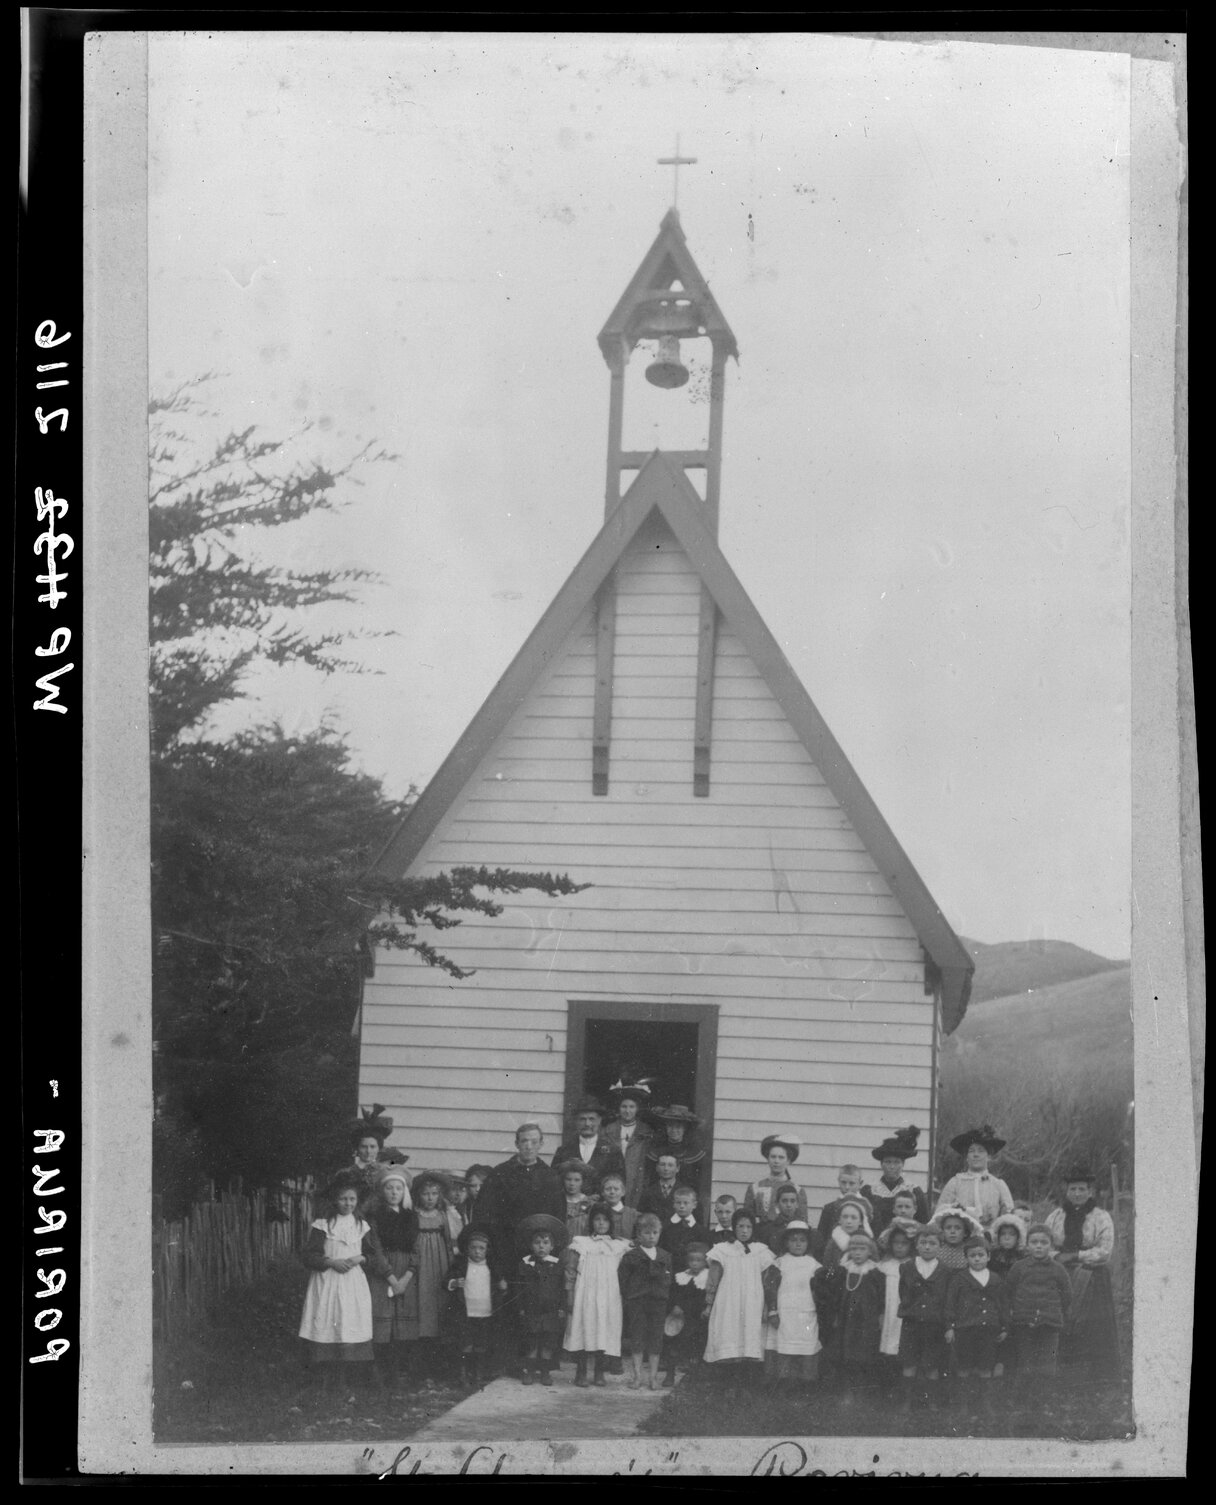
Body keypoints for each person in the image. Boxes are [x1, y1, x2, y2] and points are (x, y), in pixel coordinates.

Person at [298, 1173, 388, 1389]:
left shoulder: (362, 1226)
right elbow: (309, 1256)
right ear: (334, 1200)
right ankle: (323, 1380)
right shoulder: (323, 1225)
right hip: (327, 1281)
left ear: (357, 1202)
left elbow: (374, 1256)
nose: (347, 1204)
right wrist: (330, 1262)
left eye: (352, 1200)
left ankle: (347, 1380)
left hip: (352, 1284)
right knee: (327, 1322)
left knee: (349, 1323)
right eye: (343, 1199)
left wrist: (361, 1257)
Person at [1043, 1168, 1120, 1378]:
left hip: (1091, 1275)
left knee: (1093, 1323)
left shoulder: (1101, 1217)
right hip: (1059, 1273)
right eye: (1073, 1189)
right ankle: (1060, 1366)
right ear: (1066, 1191)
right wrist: (1058, 1257)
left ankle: (1096, 1372)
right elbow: (1043, 1245)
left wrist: (1075, 1256)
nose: (1077, 1193)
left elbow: (1105, 1251)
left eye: (1082, 1189)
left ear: (1090, 1191)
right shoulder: (1056, 1216)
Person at [476, 1124, 565, 1284]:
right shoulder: (500, 1174)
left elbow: (558, 1218)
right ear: (517, 1144)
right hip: (506, 1248)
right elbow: (484, 1211)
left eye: (534, 1142)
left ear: (541, 1144)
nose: (529, 1146)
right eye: (524, 1141)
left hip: (539, 1250)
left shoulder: (551, 1177)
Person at [1004, 1223, 1072, 1408]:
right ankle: (1020, 1402)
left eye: (1044, 1242)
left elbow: (1066, 1295)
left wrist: (1053, 1312)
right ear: (1027, 1245)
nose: (1039, 1246)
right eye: (1034, 1242)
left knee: (1047, 1366)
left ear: (1051, 1245)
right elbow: (1009, 1291)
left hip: (1050, 1324)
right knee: (1025, 1364)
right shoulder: (1019, 1267)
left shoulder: (1058, 1269)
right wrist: (1017, 1312)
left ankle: (1044, 1402)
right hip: (1024, 1323)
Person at [563, 1203, 631, 1387]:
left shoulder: (619, 1246)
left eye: (605, 1220)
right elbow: (570, 1271)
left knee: (604, 1329)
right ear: (591, 1222)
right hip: (586, 1293)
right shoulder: (581, 1244)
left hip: (609, 1295)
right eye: (597, 1219)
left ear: (611, 1223)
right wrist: (569, 1296)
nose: (601, 1223)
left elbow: (625, 1274)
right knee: (584, 1328)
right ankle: (581, 1371)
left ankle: (599, 1372)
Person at [364, 1164, 420, 1382]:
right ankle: (379, 1370)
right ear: (382, 1191)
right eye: (389, 1188)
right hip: (384, 1273)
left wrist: (406, 1278)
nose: (394, 1192)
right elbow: (375, 1248)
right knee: (383, 1320)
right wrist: (390, 1277)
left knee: (403, 1322)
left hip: (406, 1273)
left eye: (398, 1188)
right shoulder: (375, 1217)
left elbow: (417, 1248)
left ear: (404, 1191)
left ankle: (400, 1370)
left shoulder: (411, 1216)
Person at [943, 1235, 1009, 1421]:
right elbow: (950, 1304)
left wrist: (1004, 1327)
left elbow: (1003, 1304)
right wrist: (950, 1326)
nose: (977, 1259)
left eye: (981, 1255)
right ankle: (963, 1404)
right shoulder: (959, 1279)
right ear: (966, 1258)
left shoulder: (995, 1279)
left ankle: (985, 1403)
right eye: (972, 1255)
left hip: (989, 1330)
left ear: (988, 1256)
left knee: (986, 1366)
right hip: (965, 1329)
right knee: (964, 1366)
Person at [703, 1209, 776, 1369]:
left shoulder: (761, 1251)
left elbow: (767, 1282)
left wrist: (767, 1307)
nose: (744, 1231)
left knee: (749, 1336)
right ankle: (729, 1383)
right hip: (728, 1300)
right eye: (740, 1226)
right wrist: (709, 1304)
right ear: (734, 1227)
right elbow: (713, 1279)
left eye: (748, 1227)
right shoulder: (723, 1249)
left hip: (752, 1301)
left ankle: (745, 1384)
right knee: (729, 1335)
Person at [817, 1233, 884, 1401]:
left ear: (870, 1251)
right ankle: (847, 1390)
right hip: (847, 1318)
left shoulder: (875, 1272)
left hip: (866, 1319)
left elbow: (882, 1296)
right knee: (846, 1353)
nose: (858, 1253)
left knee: (864, 1354)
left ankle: (863, 1390)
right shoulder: (843, 1270)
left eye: (862, 1249)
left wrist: (880, 1316)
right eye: (854, 1249)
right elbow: (836, 1294)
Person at [761, 1221, 823, 1389]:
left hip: (806, 1314)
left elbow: (819, 1291)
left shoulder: (814, 1265)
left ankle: (804, 1384)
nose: (797, 1244)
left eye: (802, 1240)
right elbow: (770, 1287)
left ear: (808, 1243)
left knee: (805, 1346)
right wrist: (773, 1310)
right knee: (784, 1345)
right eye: (793, 1240)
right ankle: (784, 1382)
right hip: (784, 1313)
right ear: (786, 1242)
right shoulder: (779, 1263)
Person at [897, 1224, 951, 1411]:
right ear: (917, 1245)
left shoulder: (945, 1270)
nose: (927, 1247)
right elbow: (903, 1293)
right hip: (912, 1323)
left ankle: (932, 1401)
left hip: (934, 1325)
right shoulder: (907, 1267)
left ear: (940, 1246)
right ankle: (906, 1401)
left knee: (931, 1364)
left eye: (932, 1243)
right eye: (923, 1242)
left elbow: (946, 1299)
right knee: (909, 1362)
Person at [619, 1212, 673, 1390]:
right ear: (639, 1234)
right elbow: (623, 1281)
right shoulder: (631, 1256)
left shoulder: (665, 1256)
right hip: (637, 1303)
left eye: (655, 1233)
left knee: (656, 1339)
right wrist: (630, 1297)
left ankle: (653, 1378)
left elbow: (668, 1280)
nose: (651, 1237)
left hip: (657, 1303)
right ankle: (637, 1377)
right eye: (647, 1233)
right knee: (637, 1338)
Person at [514, 1214, 568, 1386]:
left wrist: (561, 1307)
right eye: (537, 1243)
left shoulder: (557, 1265)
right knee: (531, 1343)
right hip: (531, 1310)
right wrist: (520, 1308)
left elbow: (561, 1288)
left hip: (550, 1311)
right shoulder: (525, 1265)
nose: (541, 1247)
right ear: (531, 1245)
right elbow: (519, 1289)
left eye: (545, 1243)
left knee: (547, 1344)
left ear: (552, 1246)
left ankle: (545, 1372)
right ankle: (529, 1371)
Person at [409, 1172, 455, 1365]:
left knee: (439, 1299)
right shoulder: (414, 1215)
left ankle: (439, 1354)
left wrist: (451, 1266)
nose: (430, 1198)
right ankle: (420, 1350)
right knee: (422, 1298)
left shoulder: (444, 1216)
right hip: (420, 1262)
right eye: (426, 1194)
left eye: (434, 1194)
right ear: (419, 1195)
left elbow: (448, 1242)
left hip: (440, 1262)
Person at [444, 1226, 498, 1389]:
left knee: (481, 1344)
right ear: (467, 1249)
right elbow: (444, 1282)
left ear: (487, 1250)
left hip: (484, 1312)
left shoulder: (491, 1267)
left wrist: (502, 1286)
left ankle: (478, 1374)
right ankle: (463, 1374)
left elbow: (498, 1286)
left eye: (481, 1248)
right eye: (473, 1248)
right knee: (465, 1344)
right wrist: (454, 1283)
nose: (477, 1252)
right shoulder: (460, 1266)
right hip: (465, 1312)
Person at [933, 1126, 1014, 1231]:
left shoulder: (998, 1185)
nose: (976, 1155)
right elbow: (939, 1214)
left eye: (980, 1151)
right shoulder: (955, 1183)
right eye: (971, 1151)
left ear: (988, 1156)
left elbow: (1009, 1217)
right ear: (966, 1157)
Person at [861, 1126, 929, 1234]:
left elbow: (924, 1223)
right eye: (888, 1162)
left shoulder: (914, 1191)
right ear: (881, 1164)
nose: (892, 1167)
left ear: (903, 1165)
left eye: (897, 1162)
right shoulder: (869, 1191)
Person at [344, 1106, 411, 1211]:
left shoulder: (386, 1171)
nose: (368, 1151)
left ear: (379, 1148)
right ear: (357, 1149)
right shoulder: (348, 1174)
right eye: (363, 1147)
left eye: (372, 1147)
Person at [662, 1242, 710, 1386]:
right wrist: (675, 1306)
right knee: (673, 1346)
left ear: (705, 1261)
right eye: (691, 1260)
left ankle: (693, 1377)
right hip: (679, 1318)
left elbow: (704, 1298)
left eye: (698, 1260)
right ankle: (670, 1374)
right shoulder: (681, 1277)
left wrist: (702, 1309)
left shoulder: (706, 1278)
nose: (694, 1264)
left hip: (697, 1319)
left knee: (695, 1348)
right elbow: (673, 1295)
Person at [875, 1220, 916, 1391]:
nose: (899, 1247)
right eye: (896, 1243)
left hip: (905, 1312)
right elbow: (878, 1293)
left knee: (904, 1345)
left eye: (904, 1244)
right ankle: (888, 1385)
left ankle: (904, 1385)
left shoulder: (914, 1265)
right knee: (888, 1344)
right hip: (889, 1310)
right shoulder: (884, 1266)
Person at [603, 1080, 656, 1208]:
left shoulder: (646, 1131)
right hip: (614, 1179)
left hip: (637, 1179)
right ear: (618, 1108)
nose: (627, 1111)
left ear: (637, 1109)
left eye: (631, 1107)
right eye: (624, 1107)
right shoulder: (608, 1130)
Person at [551, 1099, 625, 1187]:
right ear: (576, 1121)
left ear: (599, 1120)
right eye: (582, 1119)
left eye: (591, 1119)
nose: (587, 1124)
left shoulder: (613, 1152)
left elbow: (620, 1183)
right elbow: (554, 1182)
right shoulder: (563, 1151)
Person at [742, 1133, 809, 1231]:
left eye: (781, 1157)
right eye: (773, 1157)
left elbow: (802, 1223)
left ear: (788, 1161)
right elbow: (747, 1220)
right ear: (768, 1159)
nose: (776, 1161)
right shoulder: (755, 1188)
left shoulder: (798, 1191)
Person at [645, 1106, 707, 1194]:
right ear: (666, 1127)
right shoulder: (657, 1151)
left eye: (678, 1127)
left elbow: (697, 1183)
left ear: (684, 1129)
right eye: (670, 1126)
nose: (674, 1130)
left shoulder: (693, 1152)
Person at [759, 1184, 822, 1257]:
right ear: (776, 1204)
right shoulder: (768, 1231)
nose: (789, 1205)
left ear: (797, 1204)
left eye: (792, 1201)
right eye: (784, 1201)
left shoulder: (806, 1230)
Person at [659, 1185, 708, 1273]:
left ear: (694, 1205)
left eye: (686, 1203)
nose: (682, 1206)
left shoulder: (700, 1231)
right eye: (678, 1203)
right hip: (669, 1270)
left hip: (691, 1272)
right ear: (673, 1204)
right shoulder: (665, 1227)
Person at [816, 1165, 865, 1244]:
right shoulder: (829, 1209)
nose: (847, 1187)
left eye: (852, 1183)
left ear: (860, 1184)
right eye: (843, 1182)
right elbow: (821, 1240)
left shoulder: (868, 1209)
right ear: (838, 1181)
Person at [821, 1195, 875, 1266]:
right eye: (845, 1217)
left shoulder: (868, 1242)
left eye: (854, 1217)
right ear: (839, 1220)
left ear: (861, 1221)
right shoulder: (834, 1243)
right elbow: (827, 1266)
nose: (849, 1221)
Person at [930, 1207, 983, 1272]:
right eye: (948, 1228)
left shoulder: (969, 1251)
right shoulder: (937, 1249)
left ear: (965, 1233)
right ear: (943, 1231)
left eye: (957, 1228)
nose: (952, 1231)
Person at [557, 1161, 594, 1241]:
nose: (572, 1184)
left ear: (583, 1181)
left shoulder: (589, 1203)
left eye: (577, 1180)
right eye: (568, 1179)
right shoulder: (558, 1201)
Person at [638, 1153, 682, 1220]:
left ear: (677, 1168)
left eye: (670, 1165)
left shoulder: (685, 1191)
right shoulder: (647, 1192)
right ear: (657, 1167)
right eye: (662, 1164)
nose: (666, 1168)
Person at [598, 1172, 638, 1241]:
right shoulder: (596, 1212)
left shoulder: (633, 1214)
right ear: (602, 1192)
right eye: (608, 1189)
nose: (612, 1192)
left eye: (616, 1189)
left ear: (623, 1192)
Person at [987, 1213, 1028, 1281]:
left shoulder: (1023, 1257)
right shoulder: (991, 1256)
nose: (1007, 1238)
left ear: (1018, 1237)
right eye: (1003, 1234)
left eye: (1012, 1234)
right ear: (997, 1236)